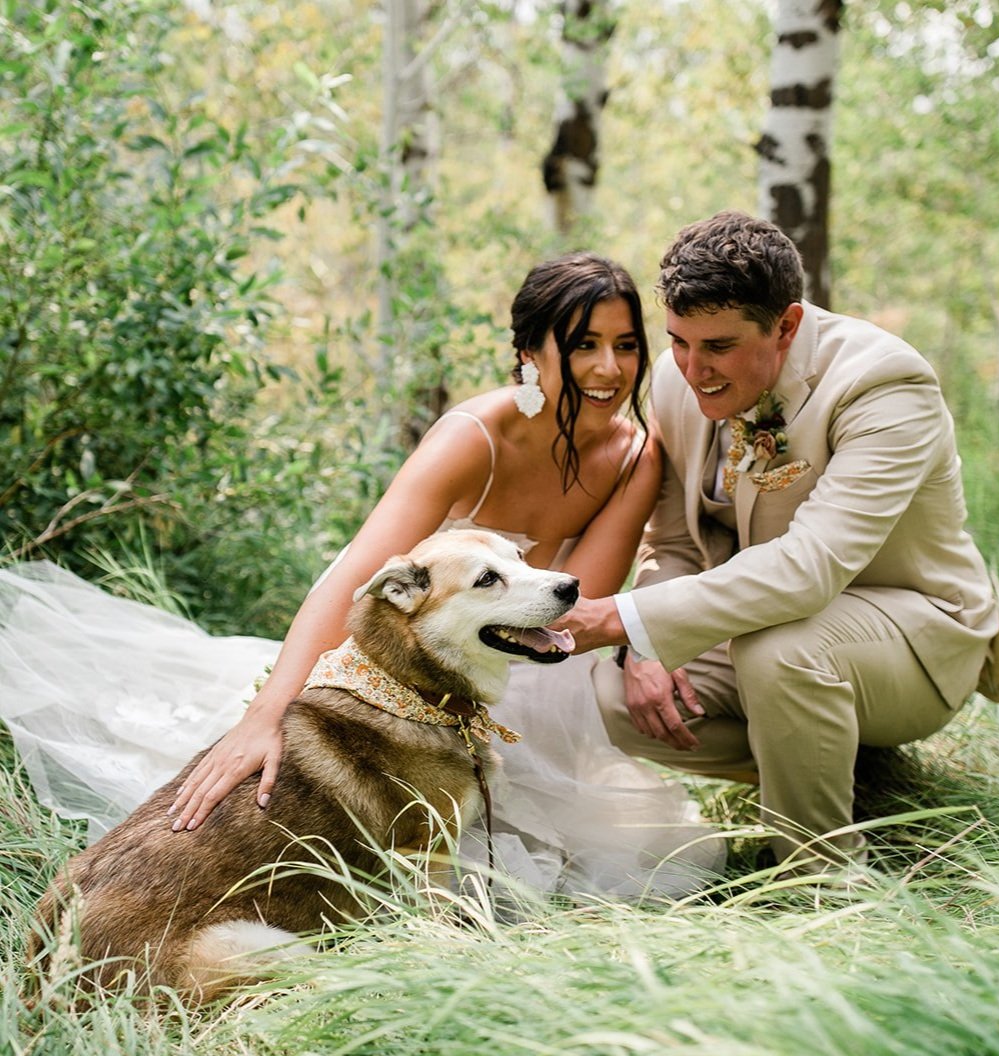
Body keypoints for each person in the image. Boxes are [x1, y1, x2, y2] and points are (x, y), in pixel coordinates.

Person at [0, 252, 725, 898]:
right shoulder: (472, 437)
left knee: (564, 852)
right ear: (529, 353)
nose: (609, 369)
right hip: (414, 644)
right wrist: (267, 716)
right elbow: (352, 577)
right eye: (582, 345)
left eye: (626, 346)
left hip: (518, 651)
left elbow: (572, 601)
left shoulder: (637, 456)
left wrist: (633, 641)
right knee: (273, 786)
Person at [560, 211, 999, 878]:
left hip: (912, 631)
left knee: (781, 651)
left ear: (786, 326)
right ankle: (828, 768)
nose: (693, 370)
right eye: (679, 342)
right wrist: (641, 645)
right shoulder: (672, 379)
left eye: (717, 347)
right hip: (765, 623)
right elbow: (675, 544)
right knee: (607, 693)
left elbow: (809, 571)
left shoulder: (884, 385)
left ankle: (826, 884)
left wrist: (617, 617)